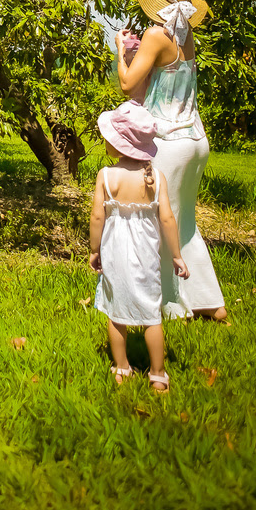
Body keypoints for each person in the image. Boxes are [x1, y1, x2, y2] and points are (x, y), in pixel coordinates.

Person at [112, 0, 227, 321]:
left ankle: (169, 305)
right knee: (184, 222)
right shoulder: (185, 29)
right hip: (195, 139)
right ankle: (209, 301)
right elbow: (163, 3)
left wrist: (120, 50)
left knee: (158, 222)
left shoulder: (155, 35)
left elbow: (129, 85)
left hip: (167, 143)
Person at [90, 109, 189, 392]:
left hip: (115, 253)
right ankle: (158, 374)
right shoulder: (156, 177)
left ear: (118, 143)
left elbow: (97, 217)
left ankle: (122, 368)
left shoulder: (107, 176)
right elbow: (168, 219)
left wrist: (94, 250)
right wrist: (176, 255)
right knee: (151, 315)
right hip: (147, 257)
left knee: (115, 311)